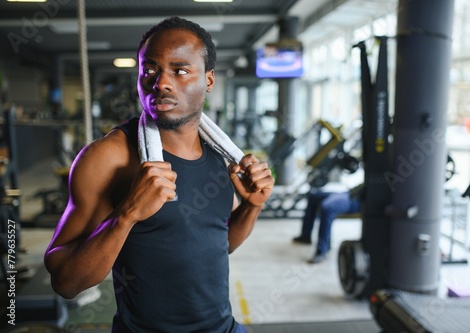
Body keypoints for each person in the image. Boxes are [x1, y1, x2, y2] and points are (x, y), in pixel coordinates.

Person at [44, 16, 274, 333]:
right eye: (150, 70)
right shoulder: (109, 157)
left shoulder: (222, 154)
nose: (161, 83)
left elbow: (219, 244)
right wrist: (126, 215)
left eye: (180, 71)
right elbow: (66, 282)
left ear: (209, 80)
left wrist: (252, 207)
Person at [293, 183, 363, 264]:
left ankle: (322, 249)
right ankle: (305, 236)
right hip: (348, 193)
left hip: (356, 199)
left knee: (327, 207)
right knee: (313, 196)